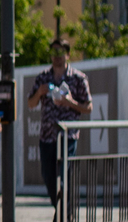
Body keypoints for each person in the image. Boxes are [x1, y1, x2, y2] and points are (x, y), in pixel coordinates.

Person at [26, 41, 94, 209]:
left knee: (63, 177)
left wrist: (70, 103)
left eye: (61, 52)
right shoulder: (43, 77)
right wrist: (39, 93)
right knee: (48, 176)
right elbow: (30, 103)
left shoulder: (78, 78)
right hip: (47, 136)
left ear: (68, 54)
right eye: (54, 52)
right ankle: (62, 211)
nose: (57, 56)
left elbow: (88, 107)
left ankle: (62, 216)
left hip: (67, 136)